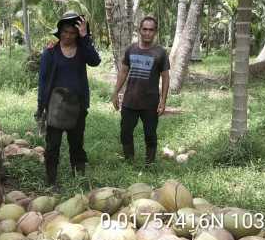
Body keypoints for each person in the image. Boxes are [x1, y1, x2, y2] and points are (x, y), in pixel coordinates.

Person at [36, 12, 101, 188]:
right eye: (65, 32)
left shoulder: (82, 51)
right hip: (55, 106)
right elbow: (42, 81)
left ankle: (79, 178)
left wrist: (85, 37)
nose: (68, 36)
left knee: (76, 144)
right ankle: (51, 181)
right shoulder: (50, 53)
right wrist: (41, 107)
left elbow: (95, 61)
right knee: (53, 146)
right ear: (60, 32)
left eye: (72, 33)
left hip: (77, 106)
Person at [112, 16, 170, 165]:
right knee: (125, 132)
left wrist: (163, 101)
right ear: (139, 30)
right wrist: (115, 92)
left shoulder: (160, 53)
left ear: (155, 32)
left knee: (150, 134)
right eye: (145, 29)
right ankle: (129, 161)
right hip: (130, 101)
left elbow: (165, 77)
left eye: (151, 30)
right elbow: (123, 72)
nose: (147, 33)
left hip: (150, 102)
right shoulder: (131, 49)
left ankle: (149, 163)